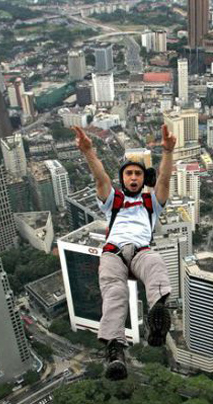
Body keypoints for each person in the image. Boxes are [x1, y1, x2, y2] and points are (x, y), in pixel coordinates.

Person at [74, 124, 176, 380]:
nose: (133, 177)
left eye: (138, 174)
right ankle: (115, 351)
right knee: (114, 292)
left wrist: (168, 151)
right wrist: (88, 152)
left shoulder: (151, 202)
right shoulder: (114, 201)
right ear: (123, 179)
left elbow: (164, 180)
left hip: (141, 251)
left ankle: (157, 318)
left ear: (143, 180)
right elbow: (101, 178)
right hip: (113, 253)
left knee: (155, 264)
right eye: (129, 173)